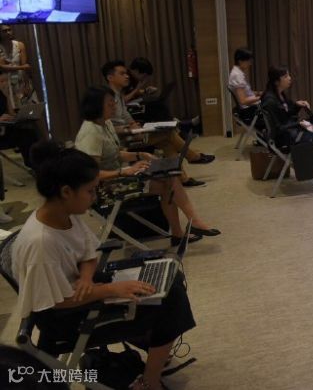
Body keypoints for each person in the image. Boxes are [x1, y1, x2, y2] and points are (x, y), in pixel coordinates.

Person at [12, 141, 196, 390]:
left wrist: (87, 279)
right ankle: (150, 381)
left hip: (82, 295)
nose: (95, 197)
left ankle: (155, 354)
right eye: (90, 191)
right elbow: (53, 301)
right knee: (171, 299)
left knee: (168, 277)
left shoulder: (63, 214)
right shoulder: (41, 243)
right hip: (66, 319)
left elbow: (88, 253)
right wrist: (110, 290)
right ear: (66, 191)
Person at [74, 85, 220, 242]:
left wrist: (140, 155)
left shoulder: (106, 123)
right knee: (168, 181)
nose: (114, 106)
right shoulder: (90, 133)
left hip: (118, 178)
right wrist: (125, 171)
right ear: (96, 106)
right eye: (110, 104)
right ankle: (189, 225)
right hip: (104, 190)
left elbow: (115, 154)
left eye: (113, 102)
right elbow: (90, 174)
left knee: (169, 174)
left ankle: (183, 230)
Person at [102, 60, 213, 187]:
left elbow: (125, 114)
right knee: (168, 134)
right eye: (122, 74)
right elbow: (107, 125)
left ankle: (182, 178)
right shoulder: (107, 98)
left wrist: (133, 123)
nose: (127, 76)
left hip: (131, 132)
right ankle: (193, 157)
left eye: (126, 73)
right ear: (110, 77)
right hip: (122, 137)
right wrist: (130, 128)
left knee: (167, 142)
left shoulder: (117, 94)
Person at [0, 72, 39, 168]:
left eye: (6, 80)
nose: (4, 83)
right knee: (24, 134)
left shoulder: (3, 95)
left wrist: (7, 96)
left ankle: (35, 161)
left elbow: (11, 113)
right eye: (1, 81)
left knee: (29, 130)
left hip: (6, 128)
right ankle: (31, 162)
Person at [0, 25, 35, 109]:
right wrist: (21, 67)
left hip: (20, 78)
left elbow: (25, 65)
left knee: (27, 104)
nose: (8, 32)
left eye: (9, 30)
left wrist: (27, 83)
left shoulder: (19, 45)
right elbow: (2, 67)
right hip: (6, 80)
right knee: (12, 106)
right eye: (4, 31)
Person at [228, 47, 261, 122]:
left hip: (251, 106)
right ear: (240, 61)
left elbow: (246, 93)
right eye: (248, 61)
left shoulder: (238, 73)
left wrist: (259, 93)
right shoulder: (237, 75)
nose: (250, 64)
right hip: (250, 110)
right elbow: (243, 100)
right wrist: (261, 97)